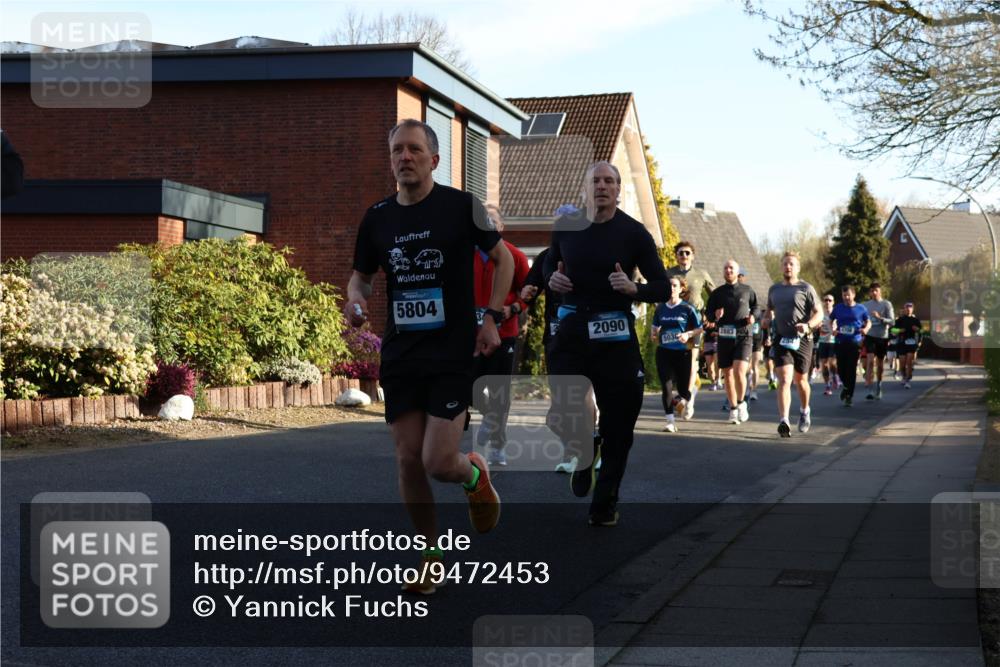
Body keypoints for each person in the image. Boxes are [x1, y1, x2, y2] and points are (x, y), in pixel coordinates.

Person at [346, 119, 514, 594]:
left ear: (434, 160)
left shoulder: (461, 206)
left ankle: (473, 473)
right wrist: (355, 301)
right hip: (402, 354)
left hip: (451, 352)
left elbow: (502, 259)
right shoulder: (377, 218)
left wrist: (491, 317)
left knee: (438, 462)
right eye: (397, 150)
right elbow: (361, 278)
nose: (405, 157)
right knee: (407, 459)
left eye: (414, 150)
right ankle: (430, 556)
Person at [545, 161, 668, 527]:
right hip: (573, 331)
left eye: (609, 181)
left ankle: (605, 503)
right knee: (566, 407)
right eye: (595, 181)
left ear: (618, 190)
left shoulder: (634, 233)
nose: (601, 186)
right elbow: (550, 267)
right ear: (585, 189)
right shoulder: (566, 227)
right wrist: (552, 280)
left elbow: (661, 287)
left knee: (619, 426)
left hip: (615, 336)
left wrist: (634, 289)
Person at [472, 209, 530, 466]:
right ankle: (490, 417)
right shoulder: (468, 254)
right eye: (484, 222)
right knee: (467, 385)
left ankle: (497, 446)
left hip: (504, 333)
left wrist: (514, 308)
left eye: (492, 222)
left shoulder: (514, 255)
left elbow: (528, 291)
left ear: (502, 227)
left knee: (499, 393)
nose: (488, 226)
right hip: (473, 334)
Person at [764, 251, 822, 436]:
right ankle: (784, 421)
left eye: (791, 264)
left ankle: (805, 411)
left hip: (803, 339)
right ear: (781, 267)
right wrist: (766, 319)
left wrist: (808, 325)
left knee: (801, 381)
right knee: (784, 379)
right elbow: (769, 311)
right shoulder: (774, 290)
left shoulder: (806, 288)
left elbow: (819, 313)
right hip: (782, 339)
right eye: (785, 264)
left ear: (798, 268)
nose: (788, 267)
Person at [666, 241, 715, 419]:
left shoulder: (701, 274)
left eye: (687, 253)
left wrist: (710, 316)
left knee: (692, 362)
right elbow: (660, 294)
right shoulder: (669, 274)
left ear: (693, 256)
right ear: (676, 255)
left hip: (694, 323)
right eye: (681, 253)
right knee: (675, 362)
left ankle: (688, 400)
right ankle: (689, 390)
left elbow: (715, 296)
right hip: (673, 323)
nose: (684, 256)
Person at [705, 260, 757, 425]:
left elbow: (756, 307)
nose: (728, 270)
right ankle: (733, 408)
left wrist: (753, 316)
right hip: (724, 336)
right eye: (726, 268)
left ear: (737, 271)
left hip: (743, 335)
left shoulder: (747, 290)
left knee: (739, 371)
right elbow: (708, 314)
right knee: (727, 374)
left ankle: (741, 403)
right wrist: (715, 315)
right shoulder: (717, 293)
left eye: (731, 268)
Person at [651, 276, 702, 433]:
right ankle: (670, 421)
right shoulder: (660, 308)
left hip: (682, 352)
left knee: (682, 389)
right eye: (669, 285)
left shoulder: (687, 308)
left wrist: (687, 334)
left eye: (674, 285)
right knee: (666, 386)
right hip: (664, 351)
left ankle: (691, 394)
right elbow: (654, 327)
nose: (671, 288)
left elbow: (700, 328)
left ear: (681, 289)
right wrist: (654, 333)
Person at [830, 285, 870, 407]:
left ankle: (849, 396)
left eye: (848, 295)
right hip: (840, 340)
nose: (846, 297)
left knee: (851, 368)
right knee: (841, 368)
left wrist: (866, 329)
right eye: (844, 295)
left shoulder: (861, 308)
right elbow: (831, 320)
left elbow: (868, 321)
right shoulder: (838, 308)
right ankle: (846, 387)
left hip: (855, 341)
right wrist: (833, 329)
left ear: (853, 295)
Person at [862, 283, 894, 400]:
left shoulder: (886, 304)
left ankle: (879, 387)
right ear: (870, 292)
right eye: (872, 291)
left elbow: (892, 322)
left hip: (882, 337)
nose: (874, 293)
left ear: (880, 291)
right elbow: (860, 319)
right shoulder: (865, 305)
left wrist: (880, 318)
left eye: (876, 290)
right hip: (870, 336)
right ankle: (870, 389)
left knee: (880, 364)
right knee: (870, 361)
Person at [739, 271, 764, 402]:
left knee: (754, 366)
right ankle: (746, 389)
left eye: (741, 276)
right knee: (746, 367)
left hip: (756, 338)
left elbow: (761, 323)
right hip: (744, 337)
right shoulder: (739, 306)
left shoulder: (755, 308)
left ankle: (754, 390)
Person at [894, 301, 922, 389]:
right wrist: (899, 330)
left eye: (910, 307)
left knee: (909, 362)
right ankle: (904, 376)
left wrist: (918, 330)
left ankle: (907, 380)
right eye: (907, 307)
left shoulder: (916, 320)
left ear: (912, 309)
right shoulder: (900, 320)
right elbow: (892, 330)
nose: (908, 309)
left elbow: (922, 331)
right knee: (902, 364)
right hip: (901, 343)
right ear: (904, 309)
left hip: (911, 343)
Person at [817, 294, 839, 396]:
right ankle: (827, 386)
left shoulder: (837, 313)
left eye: (830, 300)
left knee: (832, 363)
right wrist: (817, 326)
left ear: (833, 302)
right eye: (826, 300)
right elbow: (814, 326)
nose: (827, 302)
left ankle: (835, 376)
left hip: (833, 341)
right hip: (822, 342)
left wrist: (837, 330)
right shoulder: (820, 314)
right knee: (824, 365)